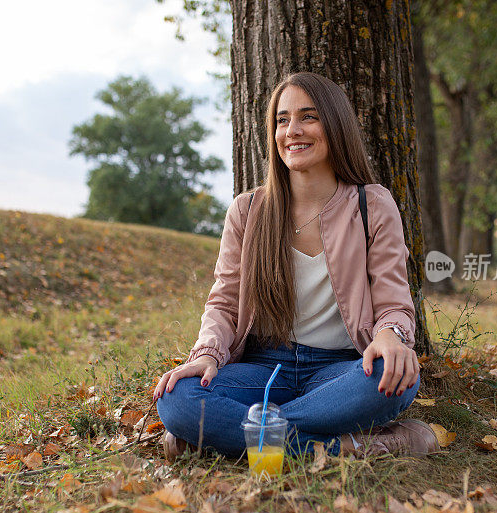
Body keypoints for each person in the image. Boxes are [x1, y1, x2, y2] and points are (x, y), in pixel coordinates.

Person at [153, 72, 438, 461]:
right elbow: (223, 303)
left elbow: (393, 298)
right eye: (282, 120)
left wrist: (390, 335)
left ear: (335, 125)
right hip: (263, 368)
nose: (293, 130)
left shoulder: (372, 205)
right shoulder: (248, 210)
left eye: (308, 116)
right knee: (178, 399)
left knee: (397, 380)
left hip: (340, 370)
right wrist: (206, 355)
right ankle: (345, 447)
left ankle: (234, 436)